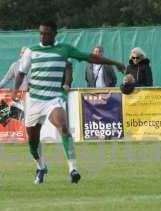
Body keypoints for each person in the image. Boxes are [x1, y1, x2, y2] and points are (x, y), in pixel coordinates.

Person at [11, 20, 125, 184]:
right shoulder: (31, 51)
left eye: (47, 33)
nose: (43, 36)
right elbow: (21, 73)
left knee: (63, 126)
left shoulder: (64, 49)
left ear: (54, 34)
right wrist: (15, 90)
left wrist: (114, 63)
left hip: (53, 99)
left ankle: (73, 169)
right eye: (41, 33)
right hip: (35, 100)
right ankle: (41, 166)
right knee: (32, 140)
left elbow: (90, 57)